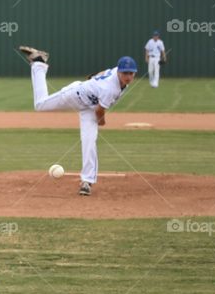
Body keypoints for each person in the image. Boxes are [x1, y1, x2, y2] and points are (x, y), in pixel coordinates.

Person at [18, 46, 136, 196]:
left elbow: (104, 72)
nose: (128, 76)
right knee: (40, 105)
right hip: (74, 96)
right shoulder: (110, 89)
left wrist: (93, 79)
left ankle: (86, 182)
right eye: (125, 73)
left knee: (89, 140)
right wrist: (101, 122)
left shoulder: (116, 73)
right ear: (119, 71)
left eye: (131, 73)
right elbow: (100, 111)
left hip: (89, 108)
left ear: (135, 73)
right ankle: (39, 64)